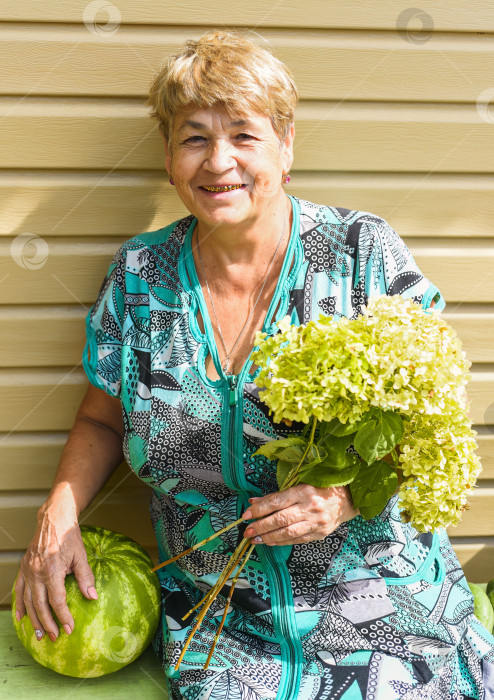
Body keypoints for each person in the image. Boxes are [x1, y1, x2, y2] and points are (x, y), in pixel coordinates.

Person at [15, 29, 494, 700]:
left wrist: (345, 496)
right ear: (169, 158)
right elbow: (101, 418)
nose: (219, 162)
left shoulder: (361, 254)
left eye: (244, 135)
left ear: (286, 147)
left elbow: (430, 426)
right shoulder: (139, 276)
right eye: (194, 138)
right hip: (224, 612)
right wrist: (56, 518)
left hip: (375, 594)